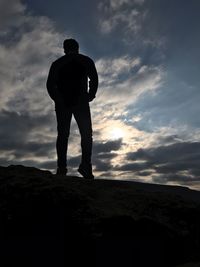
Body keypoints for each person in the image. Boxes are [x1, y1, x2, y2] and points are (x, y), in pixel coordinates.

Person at [46, 38, 98, 179]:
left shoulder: (57, 63)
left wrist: (58, 99)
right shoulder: (86, 60)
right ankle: (85, 166)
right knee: (86, 135)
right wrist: (90, 95)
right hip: (80, 102)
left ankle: (62, 168)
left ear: (64, 49)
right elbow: (94, 78)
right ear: (77, 47)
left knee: (63, 135)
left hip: (64, 104)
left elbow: (50, 85)